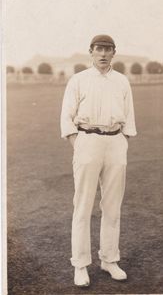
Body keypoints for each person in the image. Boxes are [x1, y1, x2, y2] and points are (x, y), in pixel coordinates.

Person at [60, 34, 137, 287]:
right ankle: (80, 265)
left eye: (108, 49)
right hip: (87, 140)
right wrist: (78, 143)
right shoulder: (78, 80)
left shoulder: (122, 81)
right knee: (82, 206)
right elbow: (66, 116)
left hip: (115, 142)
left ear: (114, 52)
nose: (103, 54)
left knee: (112, 207)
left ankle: (109, 260)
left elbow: (129, 116)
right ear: (91, 52)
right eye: (99, 49)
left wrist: (122, 142)